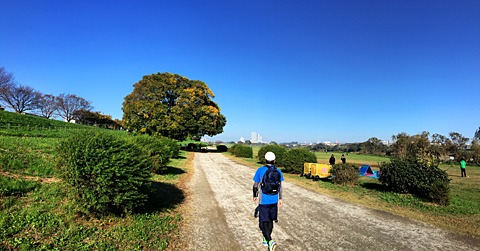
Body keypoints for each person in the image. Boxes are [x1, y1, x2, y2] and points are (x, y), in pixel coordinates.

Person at [253, 151, 284, 251]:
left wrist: (255, 195)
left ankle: (270, 241)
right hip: (274, 199)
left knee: (264, 221)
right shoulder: (278, 171)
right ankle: (266, 239)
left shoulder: (260, 170)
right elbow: (280, 186)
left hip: (264, 200)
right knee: (270, 220)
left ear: (265, 159)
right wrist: (280, 198)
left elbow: (255, 185)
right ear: (274, 160)